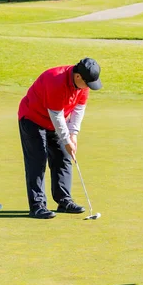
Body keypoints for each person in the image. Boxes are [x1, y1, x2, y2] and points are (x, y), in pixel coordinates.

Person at [18, 58, 102, 219]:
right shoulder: (55, 80)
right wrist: (66, 140)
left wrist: (73, 135)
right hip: (32, 118)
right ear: (78, 76)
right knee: (38, 160)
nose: (89, 87)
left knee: (63, 157)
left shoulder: (84, 83)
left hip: (55, 120)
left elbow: (79, 109)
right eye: (88, 83)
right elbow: (56, 115)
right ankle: (37, 206)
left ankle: (64, 200)